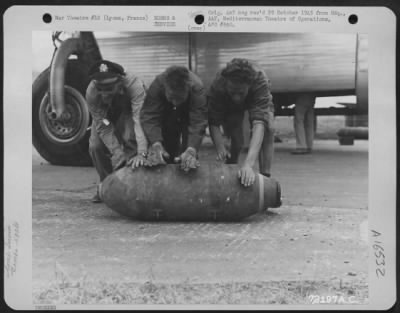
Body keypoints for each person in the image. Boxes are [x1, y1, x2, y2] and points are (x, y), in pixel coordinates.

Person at [86, 60, 148, 203]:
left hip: (128, 112)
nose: (104, 93)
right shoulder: (91, 91)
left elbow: (139, 120)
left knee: (130, 138)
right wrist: (116, 151)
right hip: (105, 116)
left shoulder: (134, 85)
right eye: (100, 88)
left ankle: (132, 185)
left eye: (108, 88)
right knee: (95, 146)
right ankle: (106, 184)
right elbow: (102, 124)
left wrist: (142, 152)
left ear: (120, 82)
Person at [208, 58, 275, 187]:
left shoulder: (259, 81)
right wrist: (220, 147)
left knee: (269, 128)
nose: (237, 97)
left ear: (249, 85)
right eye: (233, 91)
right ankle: (230, 169)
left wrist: (248, 165)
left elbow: (259, 123)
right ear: (226, 83)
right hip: (229, 104)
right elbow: (213, 121)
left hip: (255, 96)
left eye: (241, 92)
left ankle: (265, 178)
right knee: (237, 140)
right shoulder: (218, 84)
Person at [140, 66, 208, 172]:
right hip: (166, 110)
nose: (175, 102)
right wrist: (156, 143)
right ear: (165, 87)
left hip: (188, 111)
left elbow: (198, 122)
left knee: (189, 154)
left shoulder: (197, 88)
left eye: (179, 98)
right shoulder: (158, 84)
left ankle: (189, 173)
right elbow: (150, 115)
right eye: (172, 97)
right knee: (167, 145)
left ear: (188, 89)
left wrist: (192, 148)